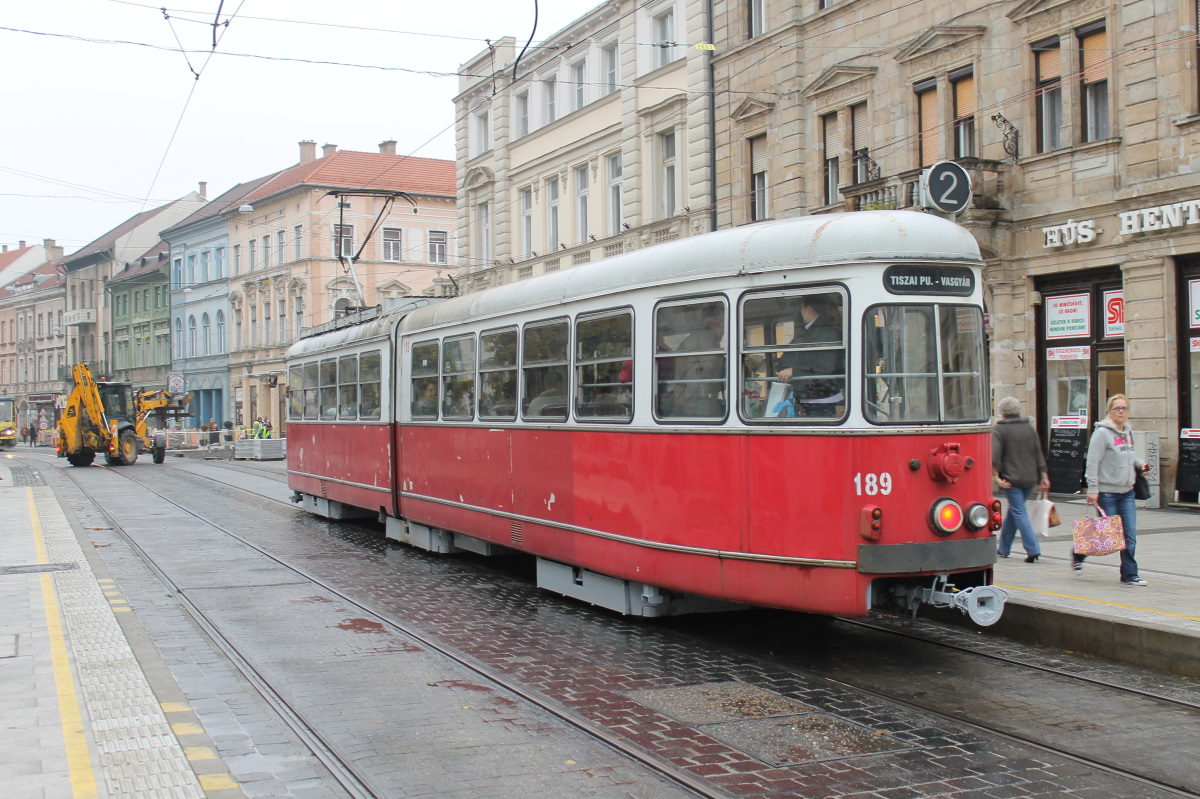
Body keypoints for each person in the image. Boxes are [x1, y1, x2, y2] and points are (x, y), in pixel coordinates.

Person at [1075, 394, 1150, 584]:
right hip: (1107, 493)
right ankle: (1079, 554)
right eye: (1117, 408)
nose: (1122, 411)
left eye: (1125, 408)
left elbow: (1131, 456)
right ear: (1110, 411)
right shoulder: (1101, 433)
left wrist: (1140, 464)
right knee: (1107, 534)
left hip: (1127, 492)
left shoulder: (1128, 432)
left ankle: (1130, 574)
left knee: (1129, 535)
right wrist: (1093, 489)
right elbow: (1092, 463)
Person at [992, 397, 1050, 562]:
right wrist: (1043, 476)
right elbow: (1038, 453)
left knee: (1018, 512)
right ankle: (1003, 548)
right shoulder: (1028, 428)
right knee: (1015, 511)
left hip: (1012, 479)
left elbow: (994, 455)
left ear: (1002, 413)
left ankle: (1033, 549)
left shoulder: (1000, 430)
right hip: (1030, 478)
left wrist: (996, 477)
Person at [774, 295, 844, 417]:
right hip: (810, 398)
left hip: (822, 401)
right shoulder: (810, 332)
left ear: (809, 309)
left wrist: (795, 372)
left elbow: (825, 369)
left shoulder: (826, 333)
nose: (800, 312)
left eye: (801, 308)